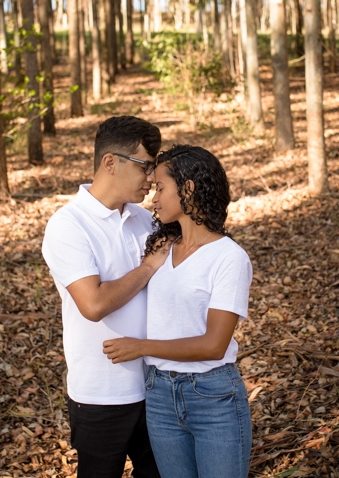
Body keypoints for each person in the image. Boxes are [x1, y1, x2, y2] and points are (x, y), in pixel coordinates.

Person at [102, 144, 253, 478]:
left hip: (212, 396)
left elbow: (214, 344)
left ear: (188, 188)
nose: (152, 198)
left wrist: (140, 347)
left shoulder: (229, 258)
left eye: (159, 187)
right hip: (159, 397)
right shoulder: (160, 248)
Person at [41, 116, 166, 478]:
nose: (151, 178)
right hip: (101, 395)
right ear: (110, 162)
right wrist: (148, 266)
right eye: (145, 166)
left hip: (156, 385)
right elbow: (92, 304)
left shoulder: (145, 221)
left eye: (154, 168)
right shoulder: (68, 225)